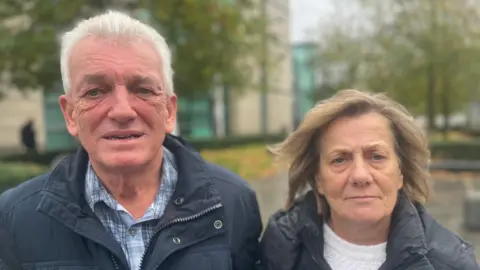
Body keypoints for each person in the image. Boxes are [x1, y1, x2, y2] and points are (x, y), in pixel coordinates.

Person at [0, 10, 262, 270]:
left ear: (169, 111)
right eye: (95, 92)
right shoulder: (14, 218)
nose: (122, 111)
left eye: (143, 90)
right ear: (70, 114)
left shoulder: (233, 204)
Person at [260, 89, 479, 270]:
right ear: (318, 179)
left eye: (376, 156)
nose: (360, 175)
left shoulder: (451, 264)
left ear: (400, 173)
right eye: (340, 160)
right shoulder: (279, 253)